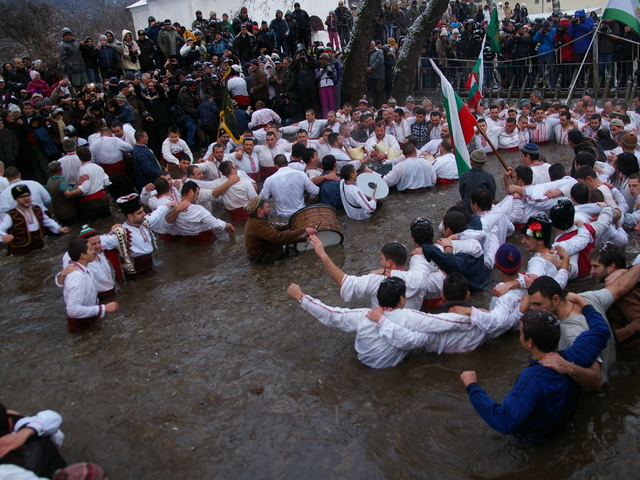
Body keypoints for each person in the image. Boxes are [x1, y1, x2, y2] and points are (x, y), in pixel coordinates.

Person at [460, 298, 610, 442]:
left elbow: (504, 421)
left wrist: (472, 387)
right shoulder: (575, 357)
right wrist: (584, 304)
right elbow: (601, 330)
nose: (520, 337)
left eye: (521, 333)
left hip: (533, 440)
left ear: (530, 342)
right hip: (564, 427)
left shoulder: (532, 378)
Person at [310, 235, 434, 310]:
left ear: (389, 263)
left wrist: (323, 255)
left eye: (382, 259)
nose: (380, 262)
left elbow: (344, 282)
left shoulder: (376, 281)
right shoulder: (420, 277)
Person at [100, 193, 180, 279]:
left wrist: (168, 205)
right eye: (139, 213)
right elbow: (98, 241)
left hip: (150, 267)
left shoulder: (145, 222)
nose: (144, 214)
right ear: (129, 216)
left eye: (142, 211)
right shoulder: (120, 233)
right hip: (136, 276)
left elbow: (157, 214)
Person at [63, 238, 119, 333]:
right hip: (81, 326)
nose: (93, 251)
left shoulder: (84, 269)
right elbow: (72, 310)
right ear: (83, 256)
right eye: (90, 249)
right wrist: (104, 308)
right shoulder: (77, 277)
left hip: (89, 320)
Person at [0, 405, 67, 478]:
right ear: (10, 423)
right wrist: (28, 431)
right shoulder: (27, 427)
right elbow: (53, 421)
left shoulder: (6, 473)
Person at [0, 185, 68, 256]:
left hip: (39, 247)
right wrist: (4, 237)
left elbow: (47, 221)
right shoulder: (10, 215)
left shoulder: (37, 209)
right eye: (22, 197)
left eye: (27, 195)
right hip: (20, 252)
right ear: (16, 199)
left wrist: (58, 228)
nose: (26, 198)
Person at [172, 181, 235, 246]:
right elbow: (216, 225)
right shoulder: (198, 210)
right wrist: (228, 225)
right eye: (197, 193)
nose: (197, 197)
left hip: (189, 243)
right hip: (206, 242)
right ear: (191, 192)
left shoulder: (173, 209)